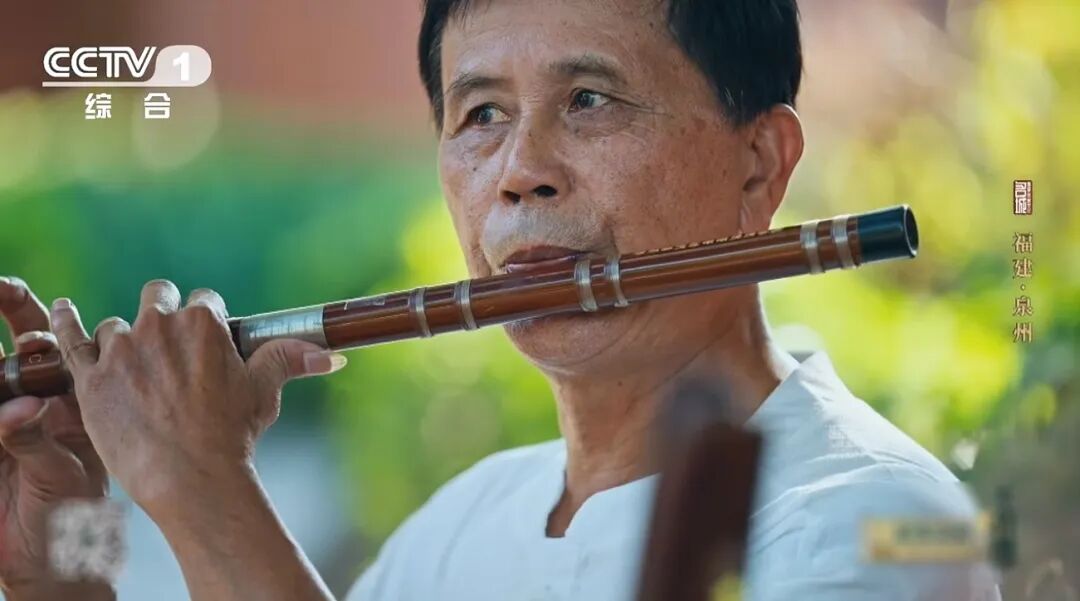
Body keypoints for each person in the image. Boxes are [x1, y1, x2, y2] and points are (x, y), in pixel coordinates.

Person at [0, 0, 1002, 599]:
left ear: (761, 162)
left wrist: (201, 484)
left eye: (590, 100)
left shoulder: (872, 522)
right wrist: (67, 567)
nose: (521, 172)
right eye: (481, 114)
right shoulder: (463, 521)